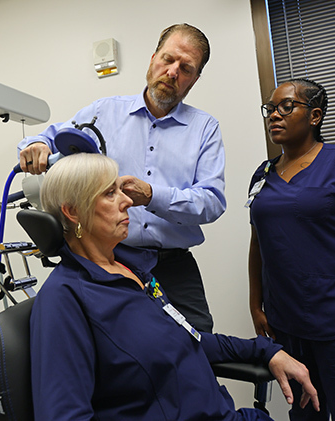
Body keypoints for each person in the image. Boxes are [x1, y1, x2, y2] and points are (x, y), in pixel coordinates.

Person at [31, 153, 319, 421]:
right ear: (72, 212)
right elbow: (64, 415)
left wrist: (265, 351)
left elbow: (187, 339)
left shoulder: (133, 270)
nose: (128, 201)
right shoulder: (64, 298)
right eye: (110, 193)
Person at [18, 23, 225, 332]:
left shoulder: (204, 129)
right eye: (167, 60)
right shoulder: (105, 112)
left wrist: (153, 196)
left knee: (196, 348)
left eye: (185, 68)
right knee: (111, 352)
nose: (172, 72)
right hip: (108, 258)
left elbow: (212, 202)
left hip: (173, 266)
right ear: (153, 57)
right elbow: (52, 137)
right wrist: (36, 144)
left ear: (194, 79)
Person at [246, 78, 335, 421]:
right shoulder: (263, 174)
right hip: (286, 324)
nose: (274, 115)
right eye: (270, 109)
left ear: (315, 116)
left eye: (286, 106)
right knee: (304, 415)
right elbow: (258, 241)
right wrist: (255, 303)